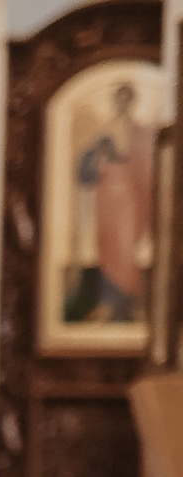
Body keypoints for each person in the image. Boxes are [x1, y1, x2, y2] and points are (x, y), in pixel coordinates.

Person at [67, 78, 155, 331]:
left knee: (126, 252)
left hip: (132, 204)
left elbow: (148, 171)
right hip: (107, 202)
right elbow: (85, 170)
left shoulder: (142, 133)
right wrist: (97, 161)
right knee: (108, 250)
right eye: (120, 99)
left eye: (127, 99)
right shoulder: (104, 133)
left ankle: (127, 305)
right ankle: (108, 303)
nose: (123, 104)